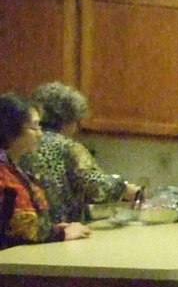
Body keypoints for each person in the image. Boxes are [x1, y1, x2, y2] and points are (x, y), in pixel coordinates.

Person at [21, 81, 139, 224]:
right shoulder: (67, 146)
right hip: (62, 227)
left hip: (30, 225)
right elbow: (93, 184)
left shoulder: (22, 142)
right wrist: (125, 189)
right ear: (67, 120)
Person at [0, 93, 90, 245]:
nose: (40, 134)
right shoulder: (3, 173)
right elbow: (21, 226)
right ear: (11, 130)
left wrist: (53, 229)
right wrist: (60, 233)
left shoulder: (13, 167)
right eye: (34, 127)